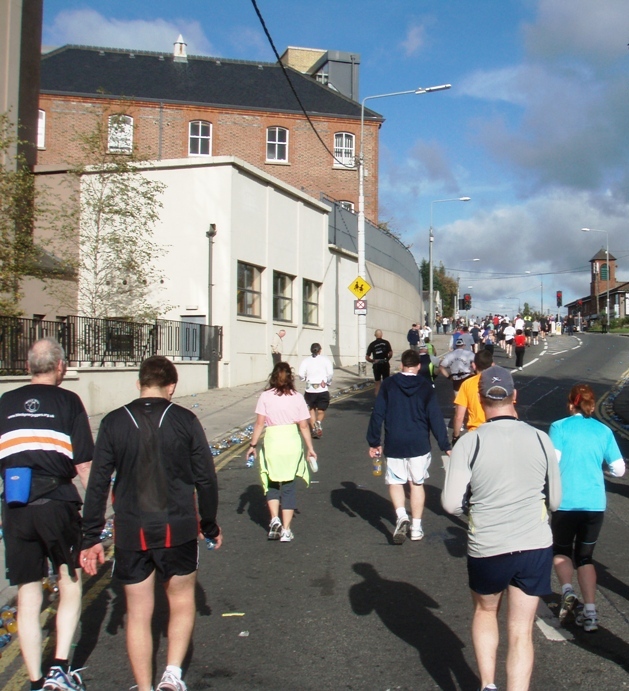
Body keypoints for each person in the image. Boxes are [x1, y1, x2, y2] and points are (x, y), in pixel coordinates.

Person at [80, 356, 221, 691]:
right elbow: (206, 478)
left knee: (138, 612)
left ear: (139, 383)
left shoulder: (114, 422)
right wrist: (209, 522)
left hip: (131, 530)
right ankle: (172, 676)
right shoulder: (185, 420)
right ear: (172, 385)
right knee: (182, 600)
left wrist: (90, 535)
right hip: (179, 526)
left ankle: (144, 686)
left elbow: (98, 482)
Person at [442, 366, 561, 691]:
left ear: (480, 399)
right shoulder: (540, 438)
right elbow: (555, 500)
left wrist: (474, 511)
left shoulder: (471, 442)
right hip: (534, 544)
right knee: (521, 629)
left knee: (485, 611)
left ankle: (488, 685)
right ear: (514, 396)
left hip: (489, 545)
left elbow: (451, 504)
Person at [0, 338, 93, 691]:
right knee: (69, 581)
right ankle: (60, 670)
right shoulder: (69, 401)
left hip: (15, 504)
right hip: (57, 501)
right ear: (61, 368)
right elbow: (84, 463)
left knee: (27, 591)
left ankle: (36, 681)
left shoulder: (5, 401)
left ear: (27, 367)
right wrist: (102, 507)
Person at [549, 384, 625, 631]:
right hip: (593, 504)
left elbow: (554, 461)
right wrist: (599, 468)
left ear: (571, 403)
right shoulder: (603, 431)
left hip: (565, 501)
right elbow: (619, 469)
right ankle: (591, 612)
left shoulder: (559, 427)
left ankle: (568, 591)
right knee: (585, 557)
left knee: (561, 551)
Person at [367, 350, 451, 544]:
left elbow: (377, 414)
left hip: (395, 441)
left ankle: (401, 516)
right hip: (419, 443)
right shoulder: (425, 386)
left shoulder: (388, 385)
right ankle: (416, 527)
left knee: (396, 482)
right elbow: (435, 417)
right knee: (416, 484)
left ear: (401, 365)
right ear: (419, 366)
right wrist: (445, 445)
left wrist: (374, 441)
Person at [248, 362, 317, 542]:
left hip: (273, 442)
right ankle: (286, 530)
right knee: (288, 487)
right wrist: (310, 448)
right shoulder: (297, 397)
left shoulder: (265, 396)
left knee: (271, 482)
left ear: (273, 377)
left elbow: (259, 424)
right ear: (290, 378)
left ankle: (274, 519)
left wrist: (252, 445)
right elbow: (303, 426)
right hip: (291, 443)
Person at [451, 349, 494, 445]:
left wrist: (455, 436)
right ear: (492, 365)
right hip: (497, 431)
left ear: (474, 365)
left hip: (476, 432)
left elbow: (459, 416)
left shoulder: (467, 384)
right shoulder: (501, 382)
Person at [297, 343, 333, 438]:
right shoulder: (325, 360)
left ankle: (313, 429)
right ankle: (318, 422)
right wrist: (327, 382)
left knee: (311, 410)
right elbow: (330, 373)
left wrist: (304, 379)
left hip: (310, 389)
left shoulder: (306, 361)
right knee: (321, 410)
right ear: (320, 350)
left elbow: (300, 374)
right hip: (322, 389)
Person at [366, 329, 392, 397]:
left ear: (375, 335)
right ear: (382, 335)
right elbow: (390, 353)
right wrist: (388, 359)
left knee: (377, 382)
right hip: (385, 363)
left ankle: (377, 399)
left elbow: (367, 357)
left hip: (376, 365)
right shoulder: (386, 343)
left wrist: (372, 361)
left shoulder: (372, 344)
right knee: (386, 381)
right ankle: (387, 397)